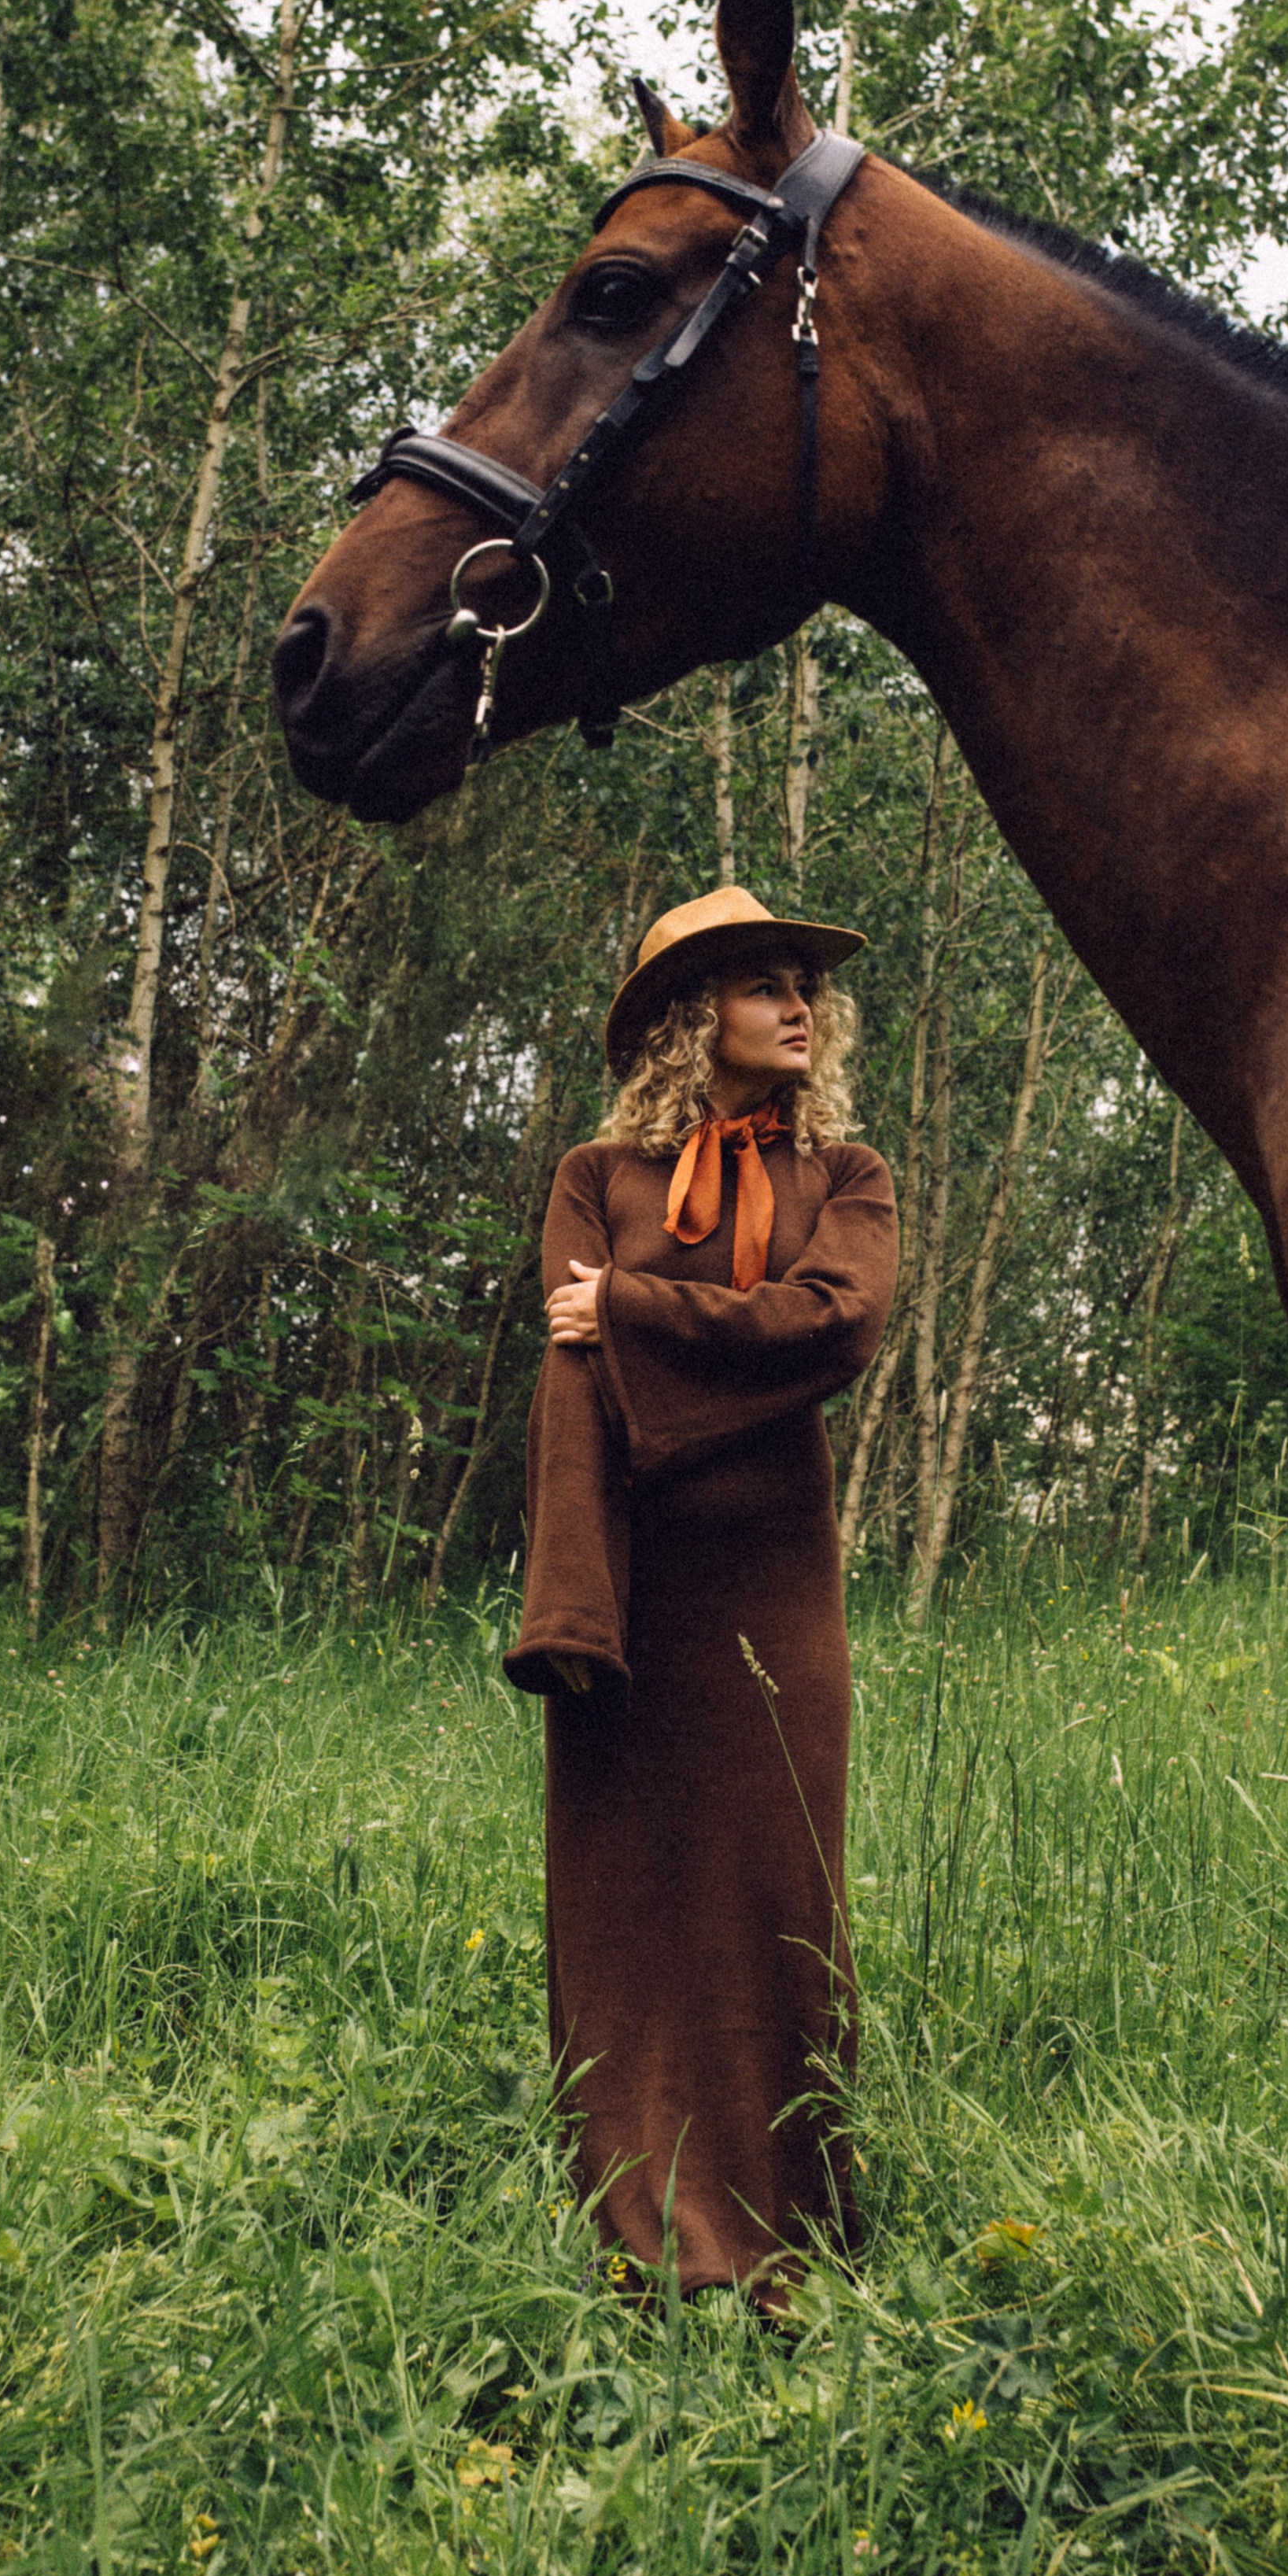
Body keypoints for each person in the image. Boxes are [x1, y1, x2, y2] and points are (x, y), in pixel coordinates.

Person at [505, 885, 899, 2305]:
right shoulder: (594, 1177)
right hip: (628, 1582)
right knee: (624, 1895)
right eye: (766, 984)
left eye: (807, 985)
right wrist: (570, 1605)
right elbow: (573, 1388)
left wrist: (636, 1311)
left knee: (778, 1888)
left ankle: (792, 2220)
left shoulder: (848, 1178)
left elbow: (835, 1324)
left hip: (776, 1581)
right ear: (694, 1017)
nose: (802, 1006)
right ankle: (641, 2213)